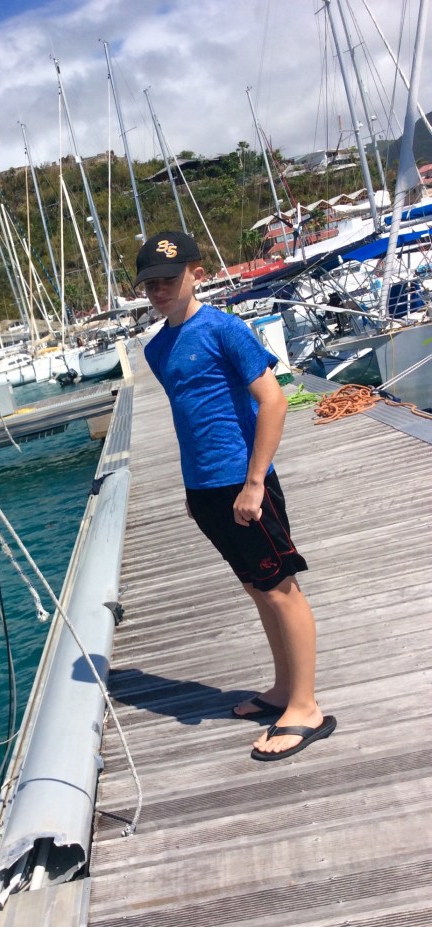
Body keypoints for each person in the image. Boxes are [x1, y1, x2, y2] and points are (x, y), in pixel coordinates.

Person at [137, 230, 335, 761]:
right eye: (150, 284)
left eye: (169, 279)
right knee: (256, 588)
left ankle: (306, 707)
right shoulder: (156, 349)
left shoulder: (225, 329)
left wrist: (254, 482)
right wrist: (193, 491)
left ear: (196, 274)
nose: (159, 290)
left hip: (245, 483)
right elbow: (191, 419)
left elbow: (274, 400)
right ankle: (283, 689)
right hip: (205, 490)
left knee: (281, 589)